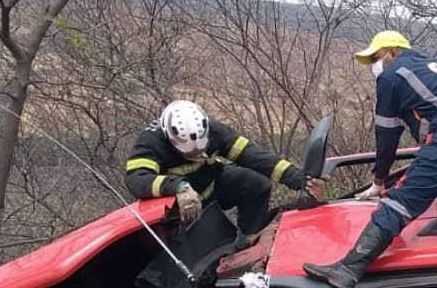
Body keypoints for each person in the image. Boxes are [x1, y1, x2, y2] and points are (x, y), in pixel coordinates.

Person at [304, 31, 437, 288]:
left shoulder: (392, 75)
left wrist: (379, 181)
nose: (374, 64)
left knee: (399, 201)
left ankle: (347, 270)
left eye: (376, 56)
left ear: (393, 52)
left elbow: (387, 135)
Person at [125, 100, 323, 240]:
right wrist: (178, 187)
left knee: (255, 183)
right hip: (180, 208)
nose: (195, 155)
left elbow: (250, 154)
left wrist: (297, 177)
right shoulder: (150, 142)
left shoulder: (213, 130)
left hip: (211, 188)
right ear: (169, 137)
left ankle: (249, 240)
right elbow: (137, 178)